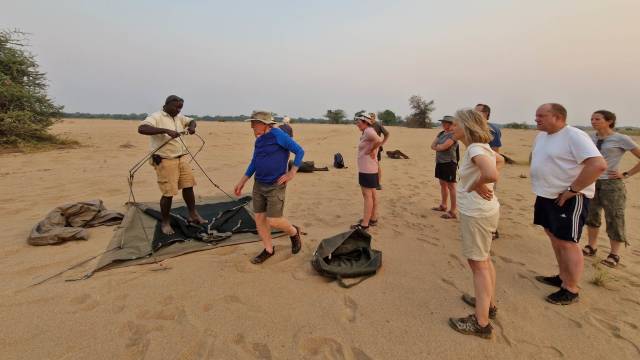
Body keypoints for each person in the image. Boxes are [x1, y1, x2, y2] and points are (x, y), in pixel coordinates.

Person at [530, 103, 606, 305]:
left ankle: (571, 288)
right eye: (536, 115)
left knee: (567, 241)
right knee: (554, 236)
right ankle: (563, 276)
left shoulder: (574, 135)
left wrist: (573, 190)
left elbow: (598, 165)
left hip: (569, 198)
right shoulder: (542, 136)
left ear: (557, 117)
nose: (536, 119)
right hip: (546, 195)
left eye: (541, 115)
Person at [447, 109, 502, 339]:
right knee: (484, 259)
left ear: (467, 126)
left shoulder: (475, 148)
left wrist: (475, 183)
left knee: (478, 264)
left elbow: (492, 173)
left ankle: (481, 323)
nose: (452, 128)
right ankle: (487, 304)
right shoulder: (481, 147)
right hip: (485, 211)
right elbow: (499, 161)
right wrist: (480, 180)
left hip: (477, 213)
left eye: (456, 124)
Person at [234, 111, 305, 264]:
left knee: (273, 220)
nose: (252, 126)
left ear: (265, 124)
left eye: (254, 123)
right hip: (259, 184)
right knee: (259, 218)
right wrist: (242, 181)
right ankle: (268, 249)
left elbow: (299, 151)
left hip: (275, 185)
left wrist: (292, 172)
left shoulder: (279, 135)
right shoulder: (259, 140)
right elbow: (254, 162)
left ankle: (293, 232)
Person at [138, 95, 206, 235]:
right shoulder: (156, 117)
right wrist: (165, 130)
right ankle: (165, 222)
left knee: (188, 186)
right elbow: (142, 128)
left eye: (180, 107)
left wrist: (192, 127)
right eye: (176, 107)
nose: (178, 110)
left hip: (182, 158)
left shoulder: (179, 117)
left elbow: (191, 121)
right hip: (165, 159)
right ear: (167, 104)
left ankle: (193, 215)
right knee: (168, 193)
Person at [583, 110, 640, 267]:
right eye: (592, 118)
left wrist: (626, 174)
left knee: (614, 217)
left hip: (611, 184)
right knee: (591, 215)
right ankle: (591, 246)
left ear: (609, 121)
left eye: (597, 119)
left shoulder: (621, 138)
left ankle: (614, 254)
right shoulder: (589, 137)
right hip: (590, 182)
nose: (593, 121)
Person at [351, 113, 383, 230]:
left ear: (365, 122)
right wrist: (372, 149)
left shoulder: (369, 131)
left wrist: (372, 149)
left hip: (367, 169)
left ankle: (365, 224)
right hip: (370, 168)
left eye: (358, 123)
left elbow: (379, 140)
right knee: (372, 194)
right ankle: (373, 218)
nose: (357, 125)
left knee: (367, 195)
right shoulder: (368, 131)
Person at [475, 103, 502, 239]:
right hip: (476, 168)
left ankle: (492, 230)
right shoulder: (474, 128)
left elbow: (496, 152)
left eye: (477, 111)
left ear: (486, 114)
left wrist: (492, 171)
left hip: (487, 169)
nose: (474, 113)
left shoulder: (491, 129)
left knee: (488, 198)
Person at [430, 115, 459, 220]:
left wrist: (438, 147)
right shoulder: (441, 133)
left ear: (451, 124)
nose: (443, 124)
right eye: (443, 122)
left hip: (449, 163)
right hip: (440, 162)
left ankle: (453, 210)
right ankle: (443, 205)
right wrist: (438, 147)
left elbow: (443, 147)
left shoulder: (454, 135)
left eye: (446, 122)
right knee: (442, 183)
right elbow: (432, 145)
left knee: (451, 186)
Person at [370, 112, 390, 190]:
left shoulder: (378, 125)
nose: (370, 118)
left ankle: (378, 183)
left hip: (376, 148)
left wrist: (382, 143)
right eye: (369, 117)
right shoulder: (368, 125)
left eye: (372, 116)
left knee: (377, 164)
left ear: (374, 117)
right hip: (369, 148)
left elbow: (387, 133)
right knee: (370, 165)